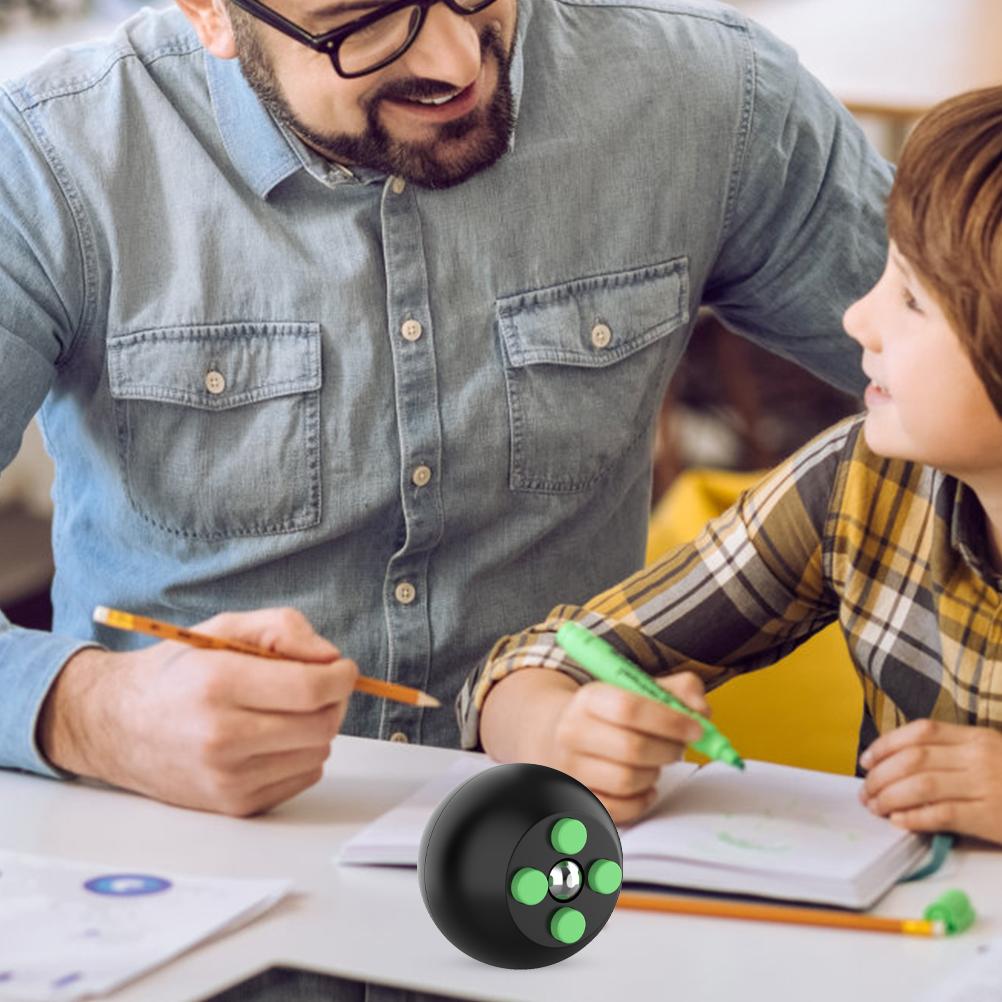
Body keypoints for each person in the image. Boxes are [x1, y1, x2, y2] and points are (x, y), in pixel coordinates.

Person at [0, 0, 891, 817]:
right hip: (179, 878)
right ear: (210, 14)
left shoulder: (714, 101)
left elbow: (980, 372)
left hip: (565, 864)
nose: (457, 57)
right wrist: (92, 714)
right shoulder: (51, 161)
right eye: (365, 22)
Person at [463, 86, 1002, 845]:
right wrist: (559, 731)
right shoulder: (865, 484)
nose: (857, 317)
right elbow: (540, 660)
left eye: (911, 299)